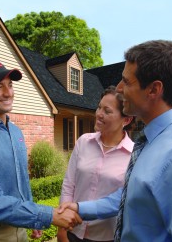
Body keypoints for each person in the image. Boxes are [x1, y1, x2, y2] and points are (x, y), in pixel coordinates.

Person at [59, 40, 172, 241]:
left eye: (127, 82)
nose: (119, 89)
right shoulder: (151, 141)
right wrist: (80, 207)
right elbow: (130, 197)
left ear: (154, 90)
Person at [0, 58, 82, 242]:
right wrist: (46, 215)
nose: (8, 93)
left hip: (18, 230)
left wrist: (32, 218)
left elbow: (21, 179)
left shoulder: (15, 131)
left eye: (10, 85)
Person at [57, 86, 135, 242]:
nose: (99, 114)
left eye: (107, 111)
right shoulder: (83, 142)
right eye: (99, 107)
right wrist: (62, 228)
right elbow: (68, 185)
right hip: (72, 232)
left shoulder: (134, 156)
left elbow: (123, 201)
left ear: (126, 120)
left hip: (106, 237)